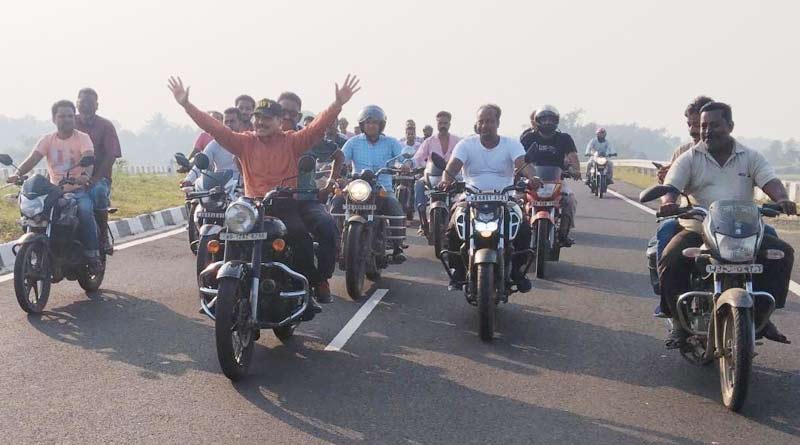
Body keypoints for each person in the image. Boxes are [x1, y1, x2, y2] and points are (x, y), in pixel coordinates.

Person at [167, 74, 361, 310]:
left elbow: (316, 128)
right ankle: (219, 292)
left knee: (301, 239)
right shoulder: (243, 142)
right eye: (258, 117)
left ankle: (313, 285)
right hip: (250, 207)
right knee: (222, 239)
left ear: (279, 121)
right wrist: (186, 104)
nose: (261, 122)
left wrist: (337, 103)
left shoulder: (292, 141)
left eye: (267, 118)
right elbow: (214, 128)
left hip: (284, 206)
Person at [659, 101, 796, 347]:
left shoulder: (751, 156)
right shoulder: (689, 158)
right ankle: (679, 324)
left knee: (783, 253)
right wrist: (669, 201)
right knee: (670, 256)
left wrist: (783, 199)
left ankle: (763, 316)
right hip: (700, 230)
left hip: (744, 230)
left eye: (715, 125)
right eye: (704, 126)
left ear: (730, 126)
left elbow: (770, 180)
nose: (708, 131)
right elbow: (671, 186)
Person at [438, 104, 541, 292]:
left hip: (505, 198)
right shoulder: (466, 145)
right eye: (482, 121)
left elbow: (523, 164)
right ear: (476, 125)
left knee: (524, 227)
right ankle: (459, 270)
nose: (486, 125)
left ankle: (517, 271)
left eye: (490, 121)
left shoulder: (511, 144)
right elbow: (452, 167)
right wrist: (446, 180)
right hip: (471, 198)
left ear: (498, 123)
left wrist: (532, 178)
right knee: (453, 226)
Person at [7, 100, 101, 271]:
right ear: (53, 119)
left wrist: (84, 175)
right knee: (33, 213)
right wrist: (18, 174)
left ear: (75, 118)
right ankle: (39, 249)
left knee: (85, 211)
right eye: (62, 116)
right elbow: (33, 159)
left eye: (70, 116)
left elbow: (88, 157)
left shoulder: (82, 138)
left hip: (77, 190)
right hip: (54, 191)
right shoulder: (47, 140)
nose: (66, 119)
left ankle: (92, 254)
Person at [277, 91, 343, 302]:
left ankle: (321, 279)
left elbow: (338, 156)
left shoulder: (308, 138)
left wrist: (329, 185)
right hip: (271, 202)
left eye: (292, 112)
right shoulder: (263, 137)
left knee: (327, 226)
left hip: (305, 201)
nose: (287, 116)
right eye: (283, 111)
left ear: (298, 115)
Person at [330, 105, 408, 262]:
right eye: (368, 122)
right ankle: (334, 241)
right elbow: (341, 160)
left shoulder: (391, 142)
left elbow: (403, 158)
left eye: (374, 122)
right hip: (357, 186)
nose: (371, 125)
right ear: (362, 125)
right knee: (336, 202)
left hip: (382, 187)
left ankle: (397, 246)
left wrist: (406, 165)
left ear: (381, 125)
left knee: (394, 206)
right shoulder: (353, 142)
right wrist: (335, 171)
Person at [520, 105, 581, 247]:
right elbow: (518, 157)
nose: (547, 122)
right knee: (515, 201)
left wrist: (575, 170)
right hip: (532, 179)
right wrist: (517, 171)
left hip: (556, 179)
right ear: (537, 121)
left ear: (556, 121)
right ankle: (516, 234)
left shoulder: (564, 138)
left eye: (550, 119)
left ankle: (564, 234)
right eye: (544, 119)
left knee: (570, 200)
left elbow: (573, 156)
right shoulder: (528, 138)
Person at [76, 87, 122, 255]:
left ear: (97, 105)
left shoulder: (105, 126)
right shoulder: (69, 123)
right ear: (77, 103)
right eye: (82, 101)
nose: (85, 105)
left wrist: (95, 178)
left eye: (89, 102)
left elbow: (111, 155)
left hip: (98, 178)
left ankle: (103, 235)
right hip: (71, 178)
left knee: (98, 192)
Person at [412, 111, 461, 234]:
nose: (442, 125)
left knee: (465, 190)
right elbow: (417, 158)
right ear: (437, 124)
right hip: (432, 176)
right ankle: (423, 220)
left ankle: (460, 220)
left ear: (449, 124)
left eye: (445, 123)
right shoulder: (429, 141)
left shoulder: (458, 141)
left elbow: (465, 158)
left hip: (453, 177)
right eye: (440, 123)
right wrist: (409, 165)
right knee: (418, 184)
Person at [179, 107, 244, 187]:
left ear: (240, 123)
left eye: (232, 121)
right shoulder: (215, 144)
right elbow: (201, 162)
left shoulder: (246, 142)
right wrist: (188, 180)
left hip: (241, 187)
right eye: (226, 122)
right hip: (220, 186)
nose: (229, 125)